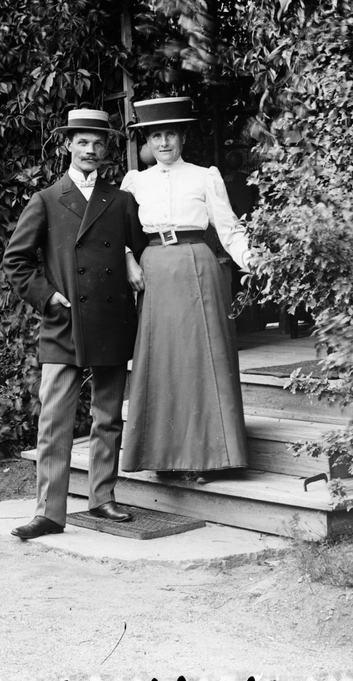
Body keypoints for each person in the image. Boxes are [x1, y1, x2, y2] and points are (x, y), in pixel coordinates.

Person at [2, 108, 146, 539]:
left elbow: (138, 252)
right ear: (68, 145)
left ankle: (102, 499)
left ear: (106, 150)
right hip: (63, 320)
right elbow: (16, 261)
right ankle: (49, 512)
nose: (90, 150)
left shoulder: (121, 201)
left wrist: (128, 257)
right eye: (82, 142)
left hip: (110, 318)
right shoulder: (46, 199)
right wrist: (48, 296)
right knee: (54, 419)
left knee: (108, 417)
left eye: (98, 143)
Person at [118, 96, 256, 479]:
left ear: (182, 137)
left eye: (171, 135)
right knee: (162, 361)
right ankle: (164, 458)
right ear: (147, 141)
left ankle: (208, 458)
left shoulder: (204, 176)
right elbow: (119, 233)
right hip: (155, 271)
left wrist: (254, 261)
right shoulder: (135, 182)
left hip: (197, 265)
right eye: (156, 136)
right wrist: (128, 259)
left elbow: (229, 229)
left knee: (200, 360)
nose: (163, 143)